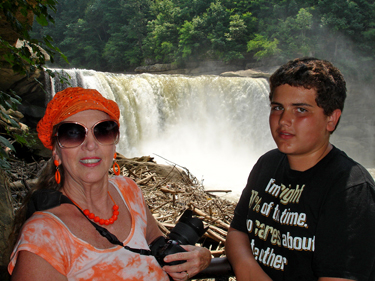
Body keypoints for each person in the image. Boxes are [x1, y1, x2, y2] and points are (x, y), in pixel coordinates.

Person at [8, 87, 211, 281]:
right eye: (72, 133)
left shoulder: (129, 192)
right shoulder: (43, 237)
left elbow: (160, 247)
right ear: (56, 152)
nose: (90, 145)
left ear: (114, 144)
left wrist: (199, 258)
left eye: (103, 131)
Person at [225, 57, 375, 280]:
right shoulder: (267, 164)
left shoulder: (350, 190)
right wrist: (249, 269)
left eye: (301, 110)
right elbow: (238, 232)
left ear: (331, 119)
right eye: (278, 108)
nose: (284, 120)